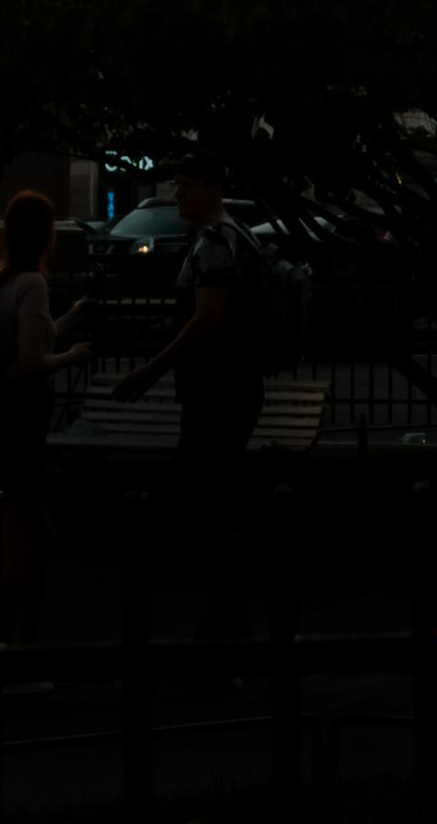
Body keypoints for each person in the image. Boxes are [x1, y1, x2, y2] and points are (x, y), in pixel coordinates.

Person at [115, 158, 262, 635]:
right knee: (210, 501)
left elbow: (206, 318)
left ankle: (226, 618)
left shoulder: (215, 241)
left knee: (204, 504)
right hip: (231, 385)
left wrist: (151, 369)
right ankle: (227, 615)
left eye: (186, 187)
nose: (177, 196)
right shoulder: (236, 235)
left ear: (212, 189)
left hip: (217, 389)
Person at [0, 189, 91, 638]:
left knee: (34, 530)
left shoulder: (4, 276)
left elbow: (25, 339)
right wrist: (73, 355)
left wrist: (68, 318)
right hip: (24, 417)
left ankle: (21, 628)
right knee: (23, 537)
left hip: (5, 417)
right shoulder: (33, 282)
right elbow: (31, 361)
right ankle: (10, 635)